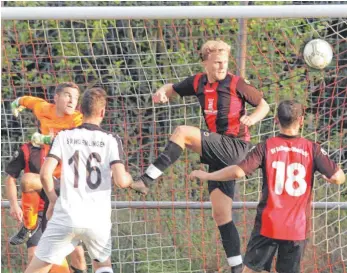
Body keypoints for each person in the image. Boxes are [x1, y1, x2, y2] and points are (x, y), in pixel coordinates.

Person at [131, 40, 270, 273]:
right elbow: (172, 88)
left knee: (183, 132)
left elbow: (263, 105)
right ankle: (237, 268)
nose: (221, 67)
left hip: (235, 147)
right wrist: (162, 92)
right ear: (205, 62)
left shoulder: (236, 83)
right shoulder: (198, 82)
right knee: (221, 214)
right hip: (218, 152)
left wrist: (253, 119)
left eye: (224, 62)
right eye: (216, 62)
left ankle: (146, 181)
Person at [189, 100, 345, 273]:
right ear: (301, 120)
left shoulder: (265, 146)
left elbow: (238, 172)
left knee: (250, 270)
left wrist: (208, 175)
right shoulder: (312, 149)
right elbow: (338, 177)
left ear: (276, 120)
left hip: (269, 224)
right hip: (297, 228)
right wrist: (327, 176)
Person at [24, 87, 133, 273]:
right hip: (97, 219)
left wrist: (52, 200)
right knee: (103, 265)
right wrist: (131, 179)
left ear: (80, 110)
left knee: (37, 269)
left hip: (66, 214)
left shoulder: (64, 137)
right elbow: (121, 181)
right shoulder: (111, 140)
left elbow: (45, 174)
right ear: (103, 112)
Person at [10, 82, 87, 273]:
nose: (72, 101)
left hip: (67, 188)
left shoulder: (78, 120)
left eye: (75, 98)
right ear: (56, 98)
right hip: (44, 198)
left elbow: (70, 140)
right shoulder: (42, 112)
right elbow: (26, 101)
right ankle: (29, 225)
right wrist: (15, 104)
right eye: (68, 95)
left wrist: (44, 139)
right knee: (28, 180)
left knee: (77, 257)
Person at [4, 142, 86, 273]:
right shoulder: (27, 149)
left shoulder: (69, 146)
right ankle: (29, 227)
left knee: (78, 255)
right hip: (39, 212)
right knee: (34, 256)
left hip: (64, 210)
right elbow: (10, 178)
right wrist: (14, 204)